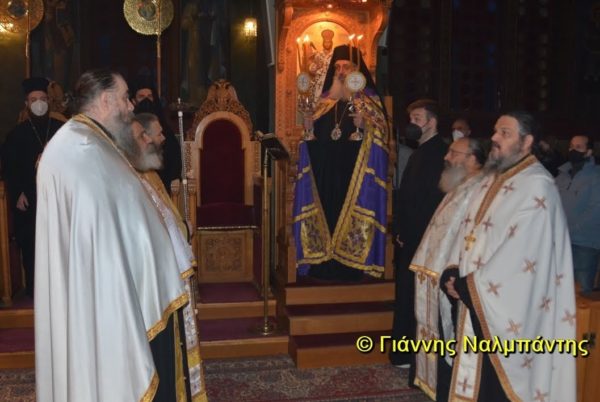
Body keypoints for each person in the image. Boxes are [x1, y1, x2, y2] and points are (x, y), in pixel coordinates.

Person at [35, 69, 193, 401]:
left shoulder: (88, 142)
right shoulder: (82, 150)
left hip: (110, 291)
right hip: (106, 299)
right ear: (106, 100)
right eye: (124, 98)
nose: (130, 106)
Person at [440, 111, 576, 401]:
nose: (494, 137)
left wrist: (468, 285)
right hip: (476, 297)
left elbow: (523, 256)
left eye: (505, 133)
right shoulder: (491, 178)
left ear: (527, 142)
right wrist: (453, 270)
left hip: (510, 309)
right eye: (495, 131)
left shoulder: (537, 185)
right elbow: (469, 231)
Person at [293, 45, 389, 281]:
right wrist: (309, 130)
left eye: (346, 66)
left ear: (357, 70)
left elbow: (382, 136)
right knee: (327, 216)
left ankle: (353, 265)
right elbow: (312, 140)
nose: (341, 72)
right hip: (326, 174)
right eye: (337, 67)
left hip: (355, 174)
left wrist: (365, 126)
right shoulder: (325, 102)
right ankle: (322, 262)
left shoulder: (369, 100)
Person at [130, 115, 207, 401]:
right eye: (155, 134)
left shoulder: (149, 174)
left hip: (166, 274)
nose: (160, 139)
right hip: (149, 282)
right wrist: (183, 231)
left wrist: (183, 229)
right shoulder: (129, 180)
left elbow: (166, 218)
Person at [410, 137, 487, 401]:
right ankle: (438, 385)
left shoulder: (480, 190)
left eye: (454, 153)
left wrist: (454, 273)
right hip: (439, 273)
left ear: (472, 159)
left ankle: (450, 389)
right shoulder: (460, 186)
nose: (446, 157)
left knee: (452, 335)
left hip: (457, 276)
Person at [390, 99, 447, 372]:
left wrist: (410, 232)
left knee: (416, 297)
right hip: (411, 236)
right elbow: (406, 196)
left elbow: (430, 202)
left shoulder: (439, 154)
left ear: (431, 122)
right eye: (410, 118)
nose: (411, 124)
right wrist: (399, 228)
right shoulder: (419, 152)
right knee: (406, 294)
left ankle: (411, 355)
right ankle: (403, 353)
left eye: (417, 118)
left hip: (423, 238)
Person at [1, 77, 64, 297]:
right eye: (34, 99)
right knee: (32, 245)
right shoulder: (16, 134)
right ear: (26, 104)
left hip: (58, 198)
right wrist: (17, 192)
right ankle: (36, 292)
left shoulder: (61, 130)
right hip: (29, 199)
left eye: (43, 99)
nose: (39, 103)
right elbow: (9, 168)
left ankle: (61, 290)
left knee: (59, 245)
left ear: (49, 101)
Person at [555, 135, 600, 292]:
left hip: (584, 244)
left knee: (582, 292)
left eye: (579, 147)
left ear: (589, 152)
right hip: (559, 242)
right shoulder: (561, 176)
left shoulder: (596, 176)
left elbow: (595, 210)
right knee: (558, 289)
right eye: (571, 146)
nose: (573, 150)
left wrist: (569, 229)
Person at [130, 76, 183, 195]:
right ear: (133, 101)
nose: (146, 101)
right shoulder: (128, 129)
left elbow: (174, 163)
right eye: (141, 97)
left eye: (149, 96)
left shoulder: (164, 130)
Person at [307, 29, 335, 107]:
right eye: (325, 42)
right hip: (319, 80)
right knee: (318, 98)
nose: (327, 44)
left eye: (329, 42)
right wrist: (315, 67)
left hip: (331, 80)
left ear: (331, 43)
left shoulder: (335, 55)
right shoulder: (318, 55)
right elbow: (312, 69)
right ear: (323, 43)